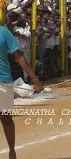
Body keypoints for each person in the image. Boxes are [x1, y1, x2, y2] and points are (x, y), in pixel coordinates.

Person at [1, 12, 44, 159]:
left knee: (6, 119)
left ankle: (12, 151)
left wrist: (34, 78)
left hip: (3, 81)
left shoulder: (4, 32)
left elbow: (18, 56)